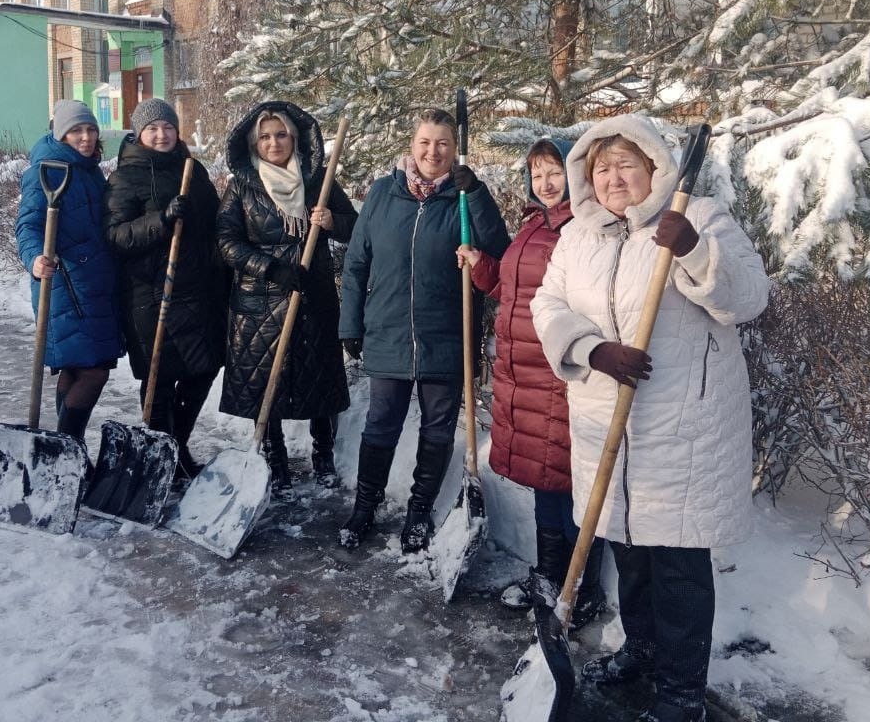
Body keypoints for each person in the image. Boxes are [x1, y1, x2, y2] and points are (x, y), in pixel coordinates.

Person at [530, 114, 769, 722]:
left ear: (654, 168)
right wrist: (591, 350)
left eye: (626, 165)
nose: (613, 178)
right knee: (630, 552)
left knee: (680, 566)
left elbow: (747, 298)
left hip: (683, 429)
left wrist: (689, 247)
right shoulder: (579, 237)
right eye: (602, 167)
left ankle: (682, 691)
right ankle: (640, 650)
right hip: (608, 426)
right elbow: (548, 304)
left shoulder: (701, 216)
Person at [338, 107, 511, 552]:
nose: (433, 151)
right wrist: (350, 323)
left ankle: (418, 513)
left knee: (437, 430)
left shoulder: (465, 197)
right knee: (380, 425)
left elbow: (501, 253)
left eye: (443, 144)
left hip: (447, 334)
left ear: (455, 150)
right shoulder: (382, 194)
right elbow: (357, 264)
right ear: (411, 145)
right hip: (389, 332)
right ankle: (364, 507)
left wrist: (475, 195)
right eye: (425, 142)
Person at [455, 137, 605, 629]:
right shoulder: (534, 225)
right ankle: (548, 576)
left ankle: (581, 590)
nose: (544, 182)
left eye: (554, 172)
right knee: (546, 484)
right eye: (537, 173)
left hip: (558, 376)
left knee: (570, 486)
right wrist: (482, 269)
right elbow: (510, 289)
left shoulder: (583, 231)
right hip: (524, 374)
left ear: (574, 175)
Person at [216, 101, 358, 500]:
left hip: (312, 295)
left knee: (319, 378)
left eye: (281, 134)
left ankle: (323, 454)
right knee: (267, 382)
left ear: (295, 138)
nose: (273, 142)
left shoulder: (319, 180)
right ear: (253, 142)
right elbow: (226, 242)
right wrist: (269, 267)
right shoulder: (242, 187)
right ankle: (275, 459)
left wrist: (331, 221)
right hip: (260, 301)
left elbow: (353, 227)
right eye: (265, 136)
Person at [103, 98, 225, 481]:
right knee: (159, 377)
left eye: (168, 127)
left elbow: (214, 221)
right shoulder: (125, 177)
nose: (161, 134)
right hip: (152, 293)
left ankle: (177, 445)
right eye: (153, 128)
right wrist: (163, 218)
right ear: (139, 133)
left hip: (198, 290)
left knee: (203, 369)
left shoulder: (193, 168)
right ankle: (163, 456)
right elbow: (116, 237)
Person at [15, 99, 124, 442]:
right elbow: (28, 226)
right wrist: (34, 258)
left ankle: (65, 449)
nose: (86, 137)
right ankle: (69, 445)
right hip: (65, 285)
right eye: (76, 130)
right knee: (94, 370)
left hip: (95, 285)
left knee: (77, 366)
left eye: (90, 129)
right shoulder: (46, 171)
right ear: (60, 134)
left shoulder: (89, 170)